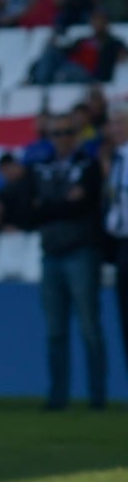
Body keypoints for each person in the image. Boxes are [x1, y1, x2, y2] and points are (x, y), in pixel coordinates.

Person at [27, 110, 106, 410]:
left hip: (81, 251)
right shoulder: (40, 166)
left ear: (77, 134)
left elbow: (86, 205)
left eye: (67, 132)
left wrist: (49, 205)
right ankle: (57, 398)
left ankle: (97, 398)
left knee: (89, 328)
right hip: (52, 253)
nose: (62, 139)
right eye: (56, 133)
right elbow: (33, 209)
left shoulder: (87, 164)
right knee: (55, 331)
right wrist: (62, 204)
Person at [102, 100, 128, 374]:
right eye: (114, 123)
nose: (116, 128)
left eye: (121, 122)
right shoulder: (116, 159)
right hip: (120, 245)